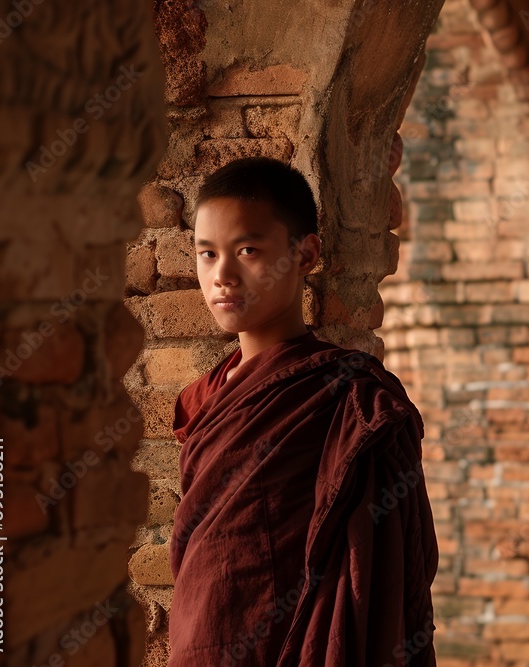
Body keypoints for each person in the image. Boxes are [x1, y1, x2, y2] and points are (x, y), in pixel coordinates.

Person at [166, 156, 438, 666]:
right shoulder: (202, 399)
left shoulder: (349, 397)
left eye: (248, 250)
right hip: (201, 640)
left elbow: (376, 567)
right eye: (207, 254)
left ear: (305, 253)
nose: (222, 275)